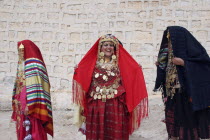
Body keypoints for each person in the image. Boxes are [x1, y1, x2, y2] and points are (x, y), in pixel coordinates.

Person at [72, 34, 148, 140]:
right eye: (106, 45)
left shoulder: (120, 64)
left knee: (115, 132)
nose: (109, 47)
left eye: (111, 45)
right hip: (96, 104)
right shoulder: (93, 64)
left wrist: (136, 69)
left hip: (116, 104)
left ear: (115, 48)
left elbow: (130, 74)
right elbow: (84, 74)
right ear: (100, 48)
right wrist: (78, 70)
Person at [154, 26, 210, 140]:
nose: (169, 43)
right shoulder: (168, 56)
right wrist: (162, 67)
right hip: (172, 95)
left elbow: (205, 66)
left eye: (171, 40)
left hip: (187, 96)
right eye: (168, 40)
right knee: (173, 124)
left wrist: (184, 63)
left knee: (187, 125)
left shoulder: (194, 51)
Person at [12, 40, 53, 140]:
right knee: (23, 130)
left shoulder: (34, 64)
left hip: (32, 105)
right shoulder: (22, 65)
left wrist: (30, 104)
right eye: (19, 51)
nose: (20, 53)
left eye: (22, 50)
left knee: (34, 130)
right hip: (21, 105)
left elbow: (36, 87)